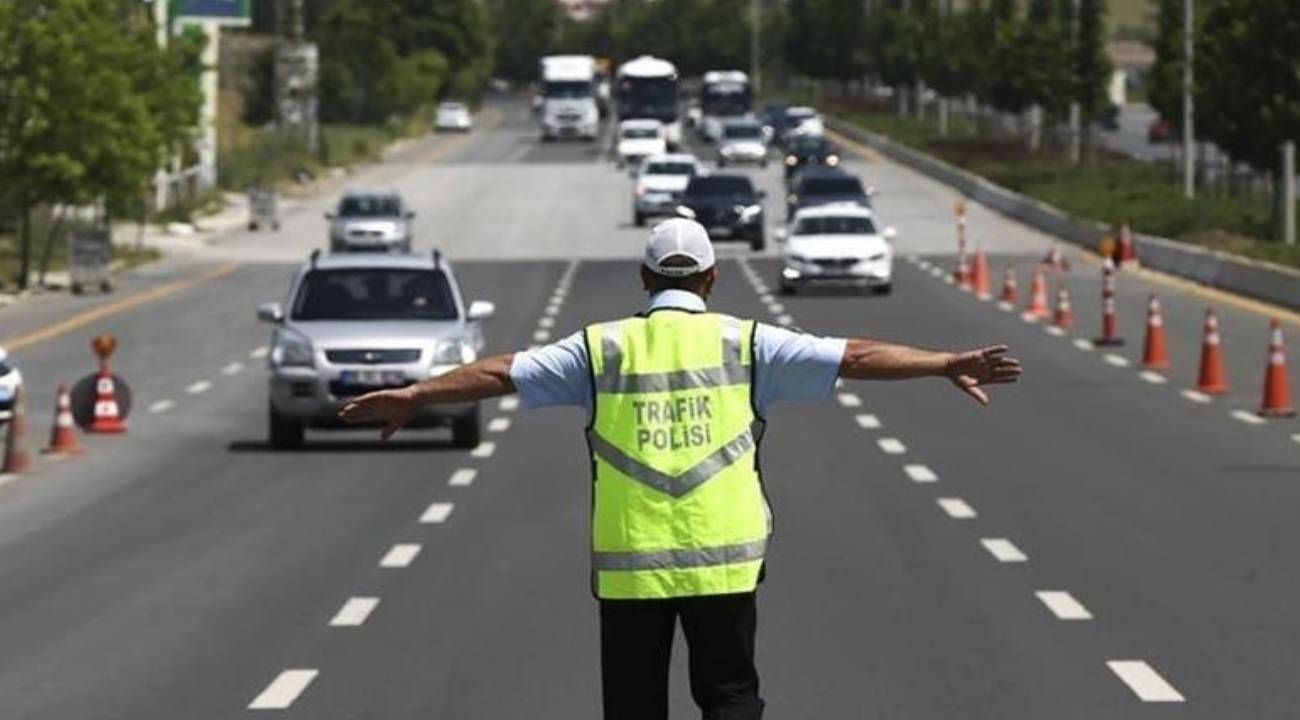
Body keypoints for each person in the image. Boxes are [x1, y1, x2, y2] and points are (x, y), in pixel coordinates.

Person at [339, 218, 1023, 720]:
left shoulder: (600, 348)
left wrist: (417, 393)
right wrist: (945, 362)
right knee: (730, 696)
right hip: (723, 559)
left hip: (632, 562)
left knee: (635, 707)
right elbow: (855, 357)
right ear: (711, 279)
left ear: (643, 279)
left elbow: (498, 372)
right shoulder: (747, 342)